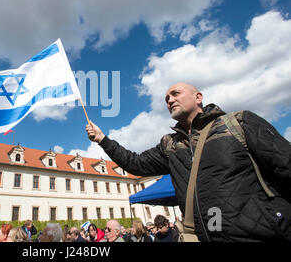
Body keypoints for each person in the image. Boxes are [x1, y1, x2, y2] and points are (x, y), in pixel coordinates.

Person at [86, 82, 291, 242]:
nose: (170, 100)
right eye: (166, 98)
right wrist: (103, 139)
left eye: (175, 93)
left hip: (263, 234)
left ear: (198, 97)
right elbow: (135, 163)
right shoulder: (171, 145)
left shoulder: (238, 123)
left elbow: (285, 165)